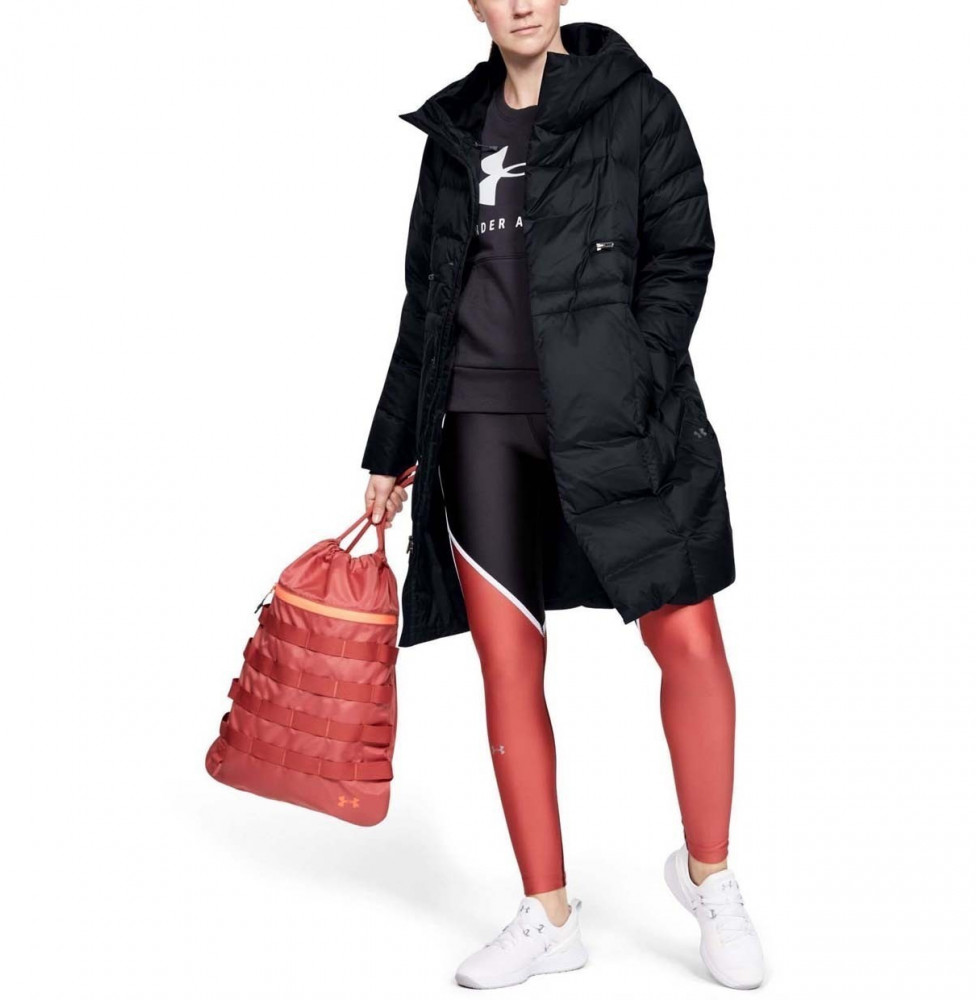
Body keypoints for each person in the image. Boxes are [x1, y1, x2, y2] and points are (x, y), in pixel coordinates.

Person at [361, 3, 765, 991]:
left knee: (687, 639)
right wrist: (390, 446)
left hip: (618, 421)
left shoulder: (636, 105)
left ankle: (709, 876)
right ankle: (547, 914)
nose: (521, 2)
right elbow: (427, 295)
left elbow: (682, 253)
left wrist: (633, 371)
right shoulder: (455, 129)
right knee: (508, 665)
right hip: (479, 425)